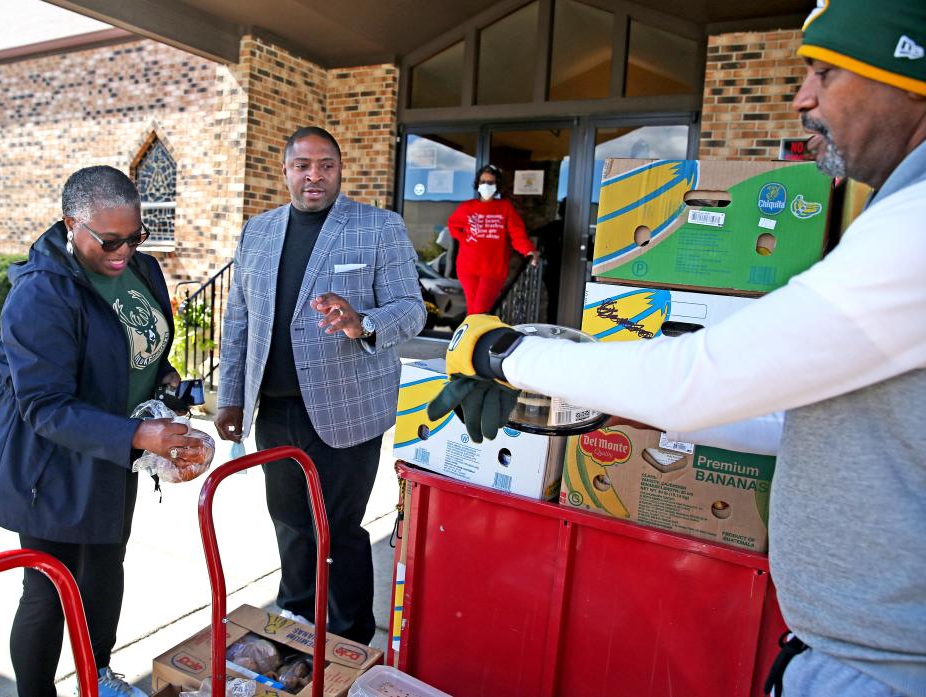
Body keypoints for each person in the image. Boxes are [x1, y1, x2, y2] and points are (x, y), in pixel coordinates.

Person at [430, 2, 926, 695]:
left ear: (907, 74)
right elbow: (795, 419)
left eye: (824, 72)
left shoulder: (917, 224)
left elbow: (697, 377)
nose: (801, 97)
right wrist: (602, 403)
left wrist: (501, 350)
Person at [0, 166, 207, 697]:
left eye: (136, 236)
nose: (125, 251)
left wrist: (162, 379)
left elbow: (141, 347)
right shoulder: (41, 293)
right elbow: (45, 406)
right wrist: (140, 438)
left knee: (105, 567)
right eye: (111, 240)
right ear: (72, 224)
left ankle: (97, 674)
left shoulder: (141, 270)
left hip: (114, 450)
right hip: (51, 459)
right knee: (50, 586)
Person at [214, 126, 425, 645]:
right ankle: (294, 622)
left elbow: (411, 309)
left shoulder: (378, 226)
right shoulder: (257, 232)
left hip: (348, 407)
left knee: (338, 530)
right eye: (303, 165)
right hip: (277, 408)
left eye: (326, 164)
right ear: (285, 170)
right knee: (288, 520)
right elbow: (238, 318)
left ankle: (350, 637)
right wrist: (231, 396)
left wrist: (361, 323)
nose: (315, 175)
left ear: (339, 169)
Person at [447, 164, 540, 314]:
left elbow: (517, 234)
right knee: (472, 308)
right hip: (467, 267)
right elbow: (453, 225)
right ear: (477, 184)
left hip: (493, 269)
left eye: (490, 182)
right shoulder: (467, 207)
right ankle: (474, 336)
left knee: (480, 309)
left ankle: (475, 336)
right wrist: (464, 237)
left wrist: (528, 250)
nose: (486, 185)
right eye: (483, 181)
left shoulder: (505, 208)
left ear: (496, 186)